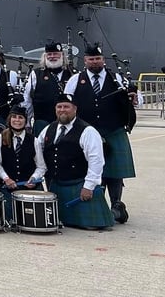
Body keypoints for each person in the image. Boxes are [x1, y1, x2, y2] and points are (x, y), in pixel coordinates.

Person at [64, 42, 137, 223]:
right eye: (91, 59)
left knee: (114, 172)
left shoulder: (117, 78)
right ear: (85, 61)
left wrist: (135, 98)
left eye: (98, 59)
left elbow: (136, 99)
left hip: (113, 130)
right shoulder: (75, 80)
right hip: (87, 133)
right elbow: (67, 103)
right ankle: (100, 204)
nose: (95, 62)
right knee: (94, 170)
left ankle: (116, 204)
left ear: (103, 60)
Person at [34, 93, 115, 230]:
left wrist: (88, 187)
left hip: (79, 184)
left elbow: (96, 160)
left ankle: (116, 212)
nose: (62, 110)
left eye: (66, 107)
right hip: (57, 185)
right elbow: (38, 152)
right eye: (59, 107)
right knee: (56, 222)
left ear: (75, 109)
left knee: (92, 226)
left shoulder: (88, 131)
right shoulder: (49, 129)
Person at [0, 105, 39, 219]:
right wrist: (6, 178)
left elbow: (41, 166)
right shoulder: (1, 138)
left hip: (29, 189)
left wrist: (34, 178)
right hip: (6, 188)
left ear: (25, 120)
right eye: (14, 117)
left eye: (20, 117)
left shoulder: (34, 140)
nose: (17, 120)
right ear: (9, 119)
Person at [22, 41, 73, 135]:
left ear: (62, 55)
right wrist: (27, 122)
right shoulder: (35, 74)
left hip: (67, 124)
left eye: (55, 54)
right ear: (45, 56)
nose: (52, 56)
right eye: (49, 54)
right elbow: (27, 100)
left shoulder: (72, 74)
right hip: (42, 123)